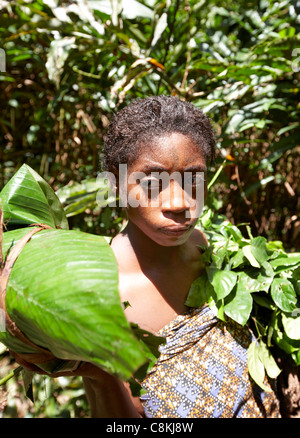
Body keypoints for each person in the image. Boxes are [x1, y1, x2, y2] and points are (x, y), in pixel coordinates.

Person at [82, 95, 281, 418]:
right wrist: (100, 377)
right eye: (152, 182)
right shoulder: (100, 294)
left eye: (194, 180)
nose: (179, 203)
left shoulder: (212, 255)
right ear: (115, 184)